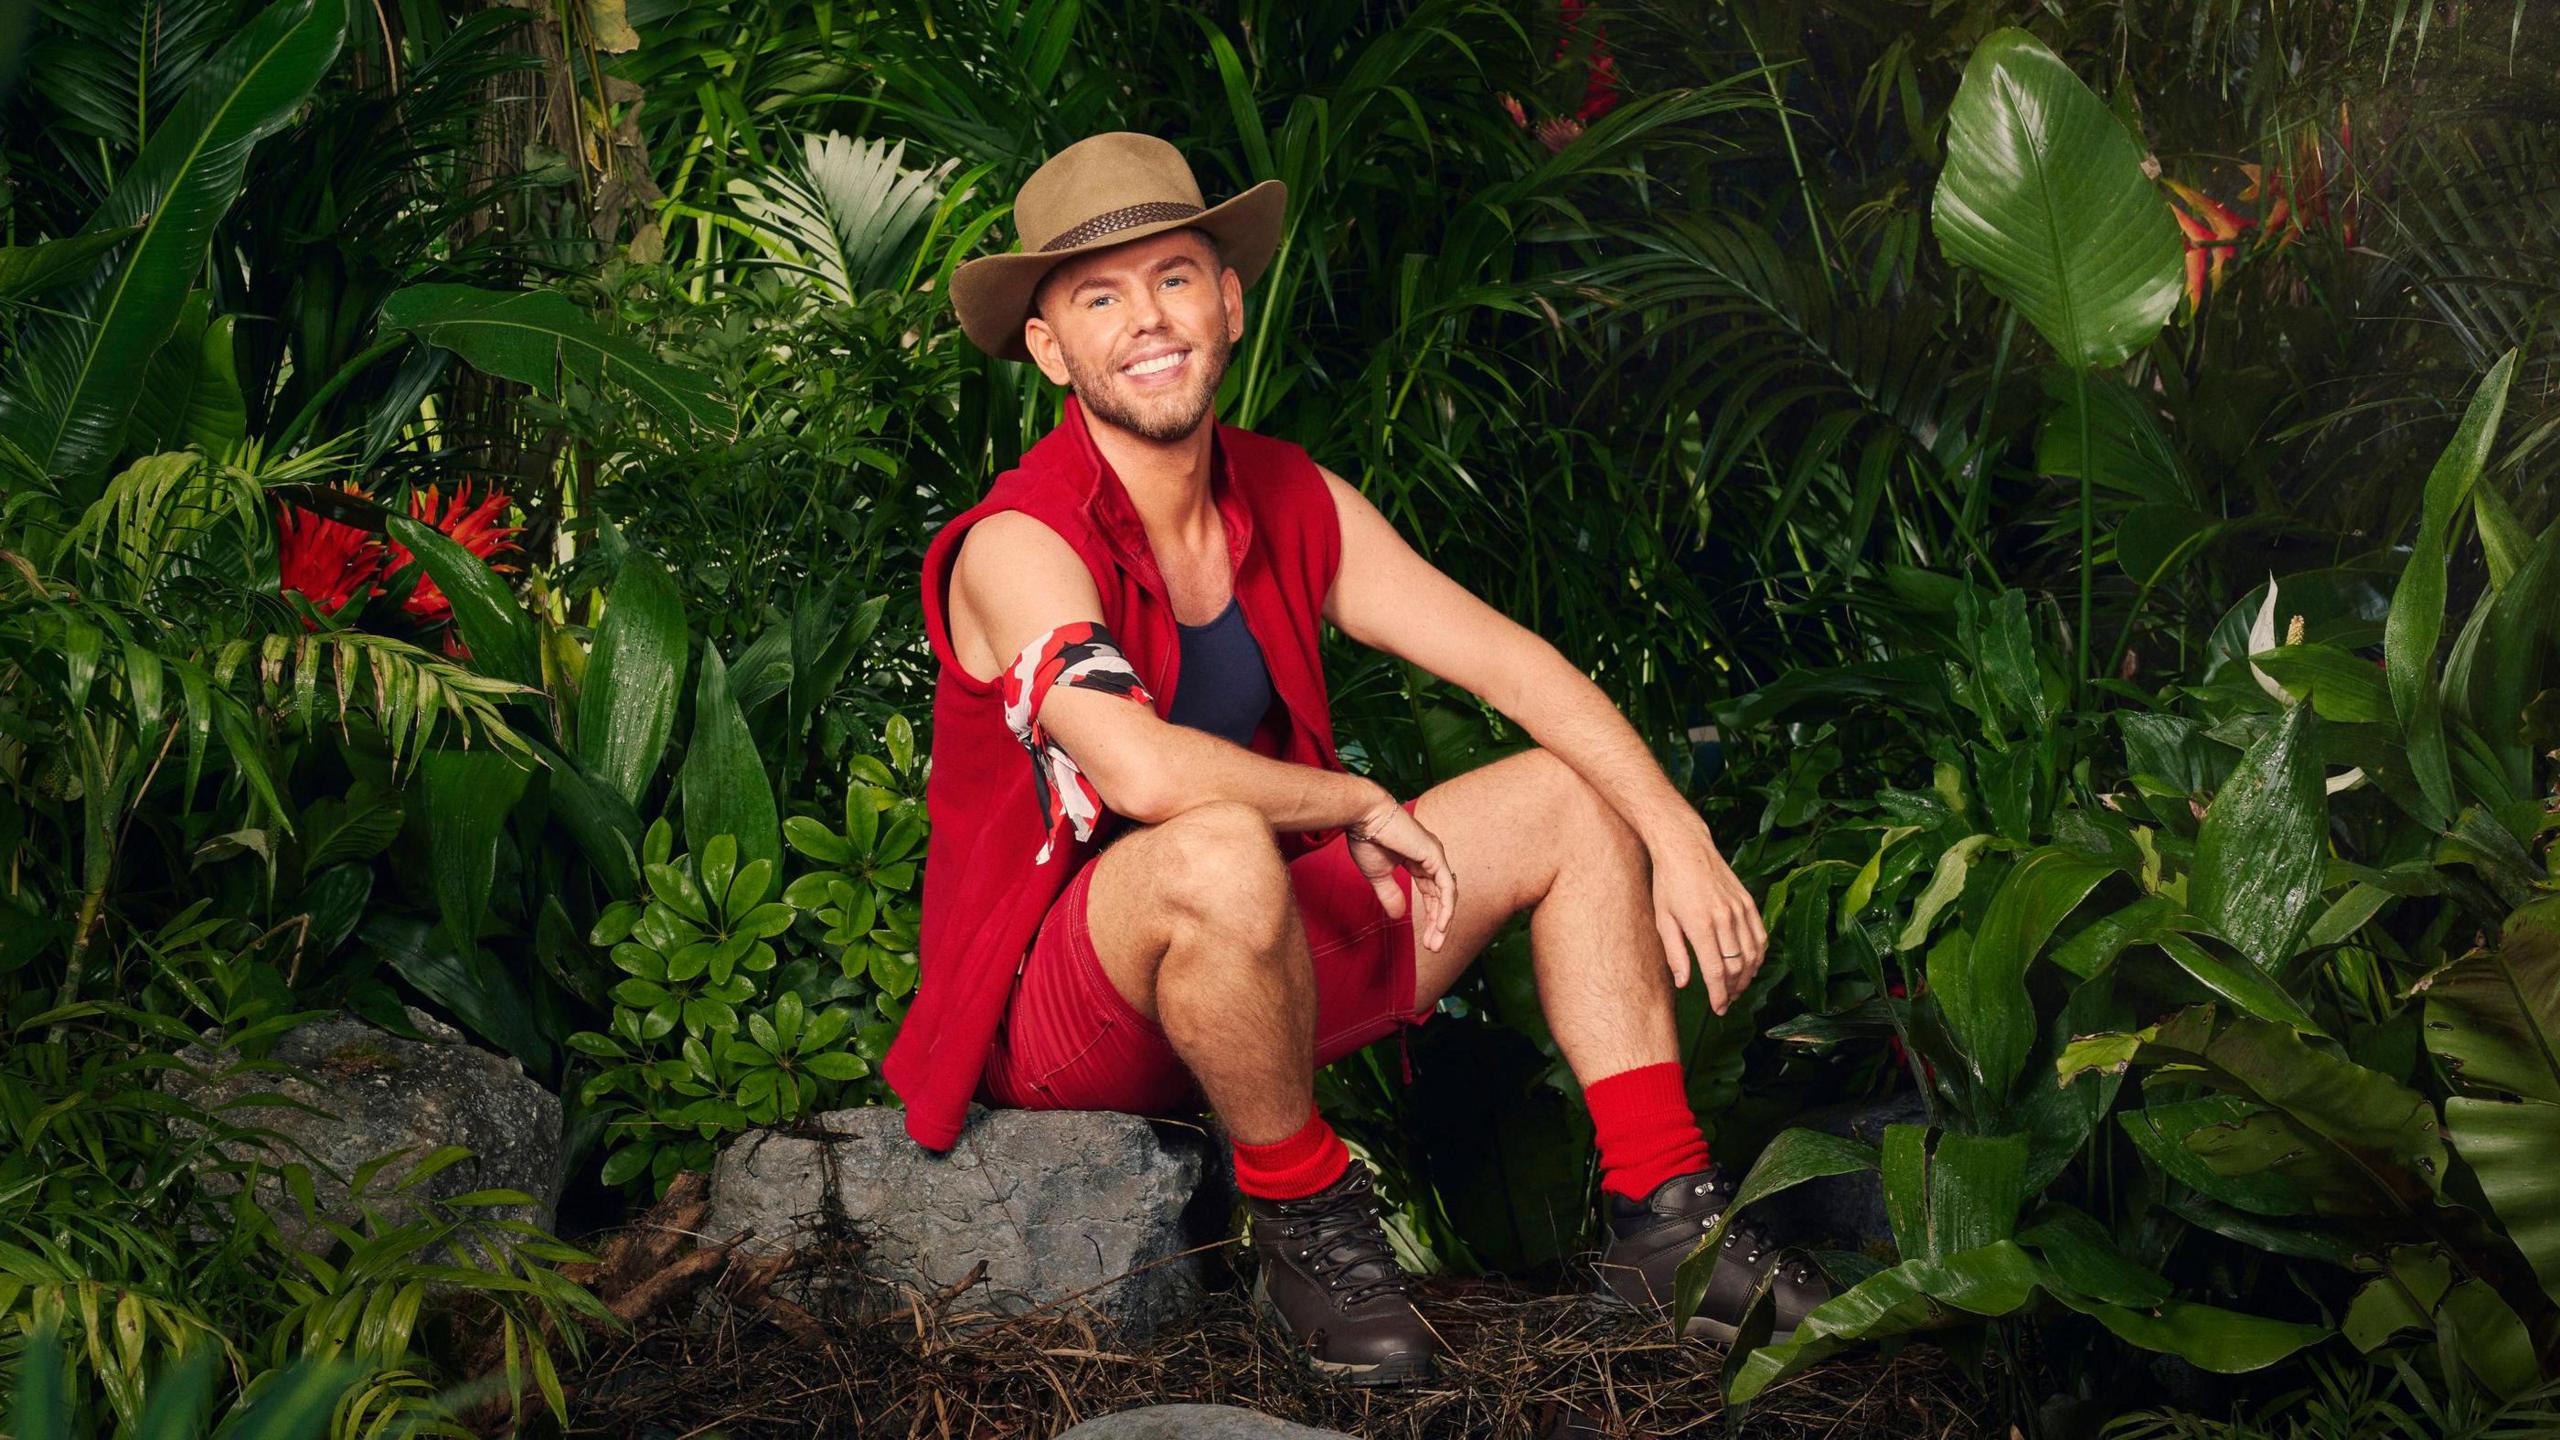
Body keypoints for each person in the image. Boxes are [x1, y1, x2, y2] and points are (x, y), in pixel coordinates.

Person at [889, 130, 1830, 1386]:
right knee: (1213, 842)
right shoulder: (1017, 544)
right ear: (1051, 347)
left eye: (1173, 278)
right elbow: (1142, 776)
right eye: (1098, 298)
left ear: (1227, 301)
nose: (1147, 320)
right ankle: (1304, 1219)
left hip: (1258, 957)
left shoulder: (1287, 495)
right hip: (1076, 1012)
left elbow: (1516, 668)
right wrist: (1352, 799)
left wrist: (1676, 832)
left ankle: (1665, 1220)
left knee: (1562, 792)